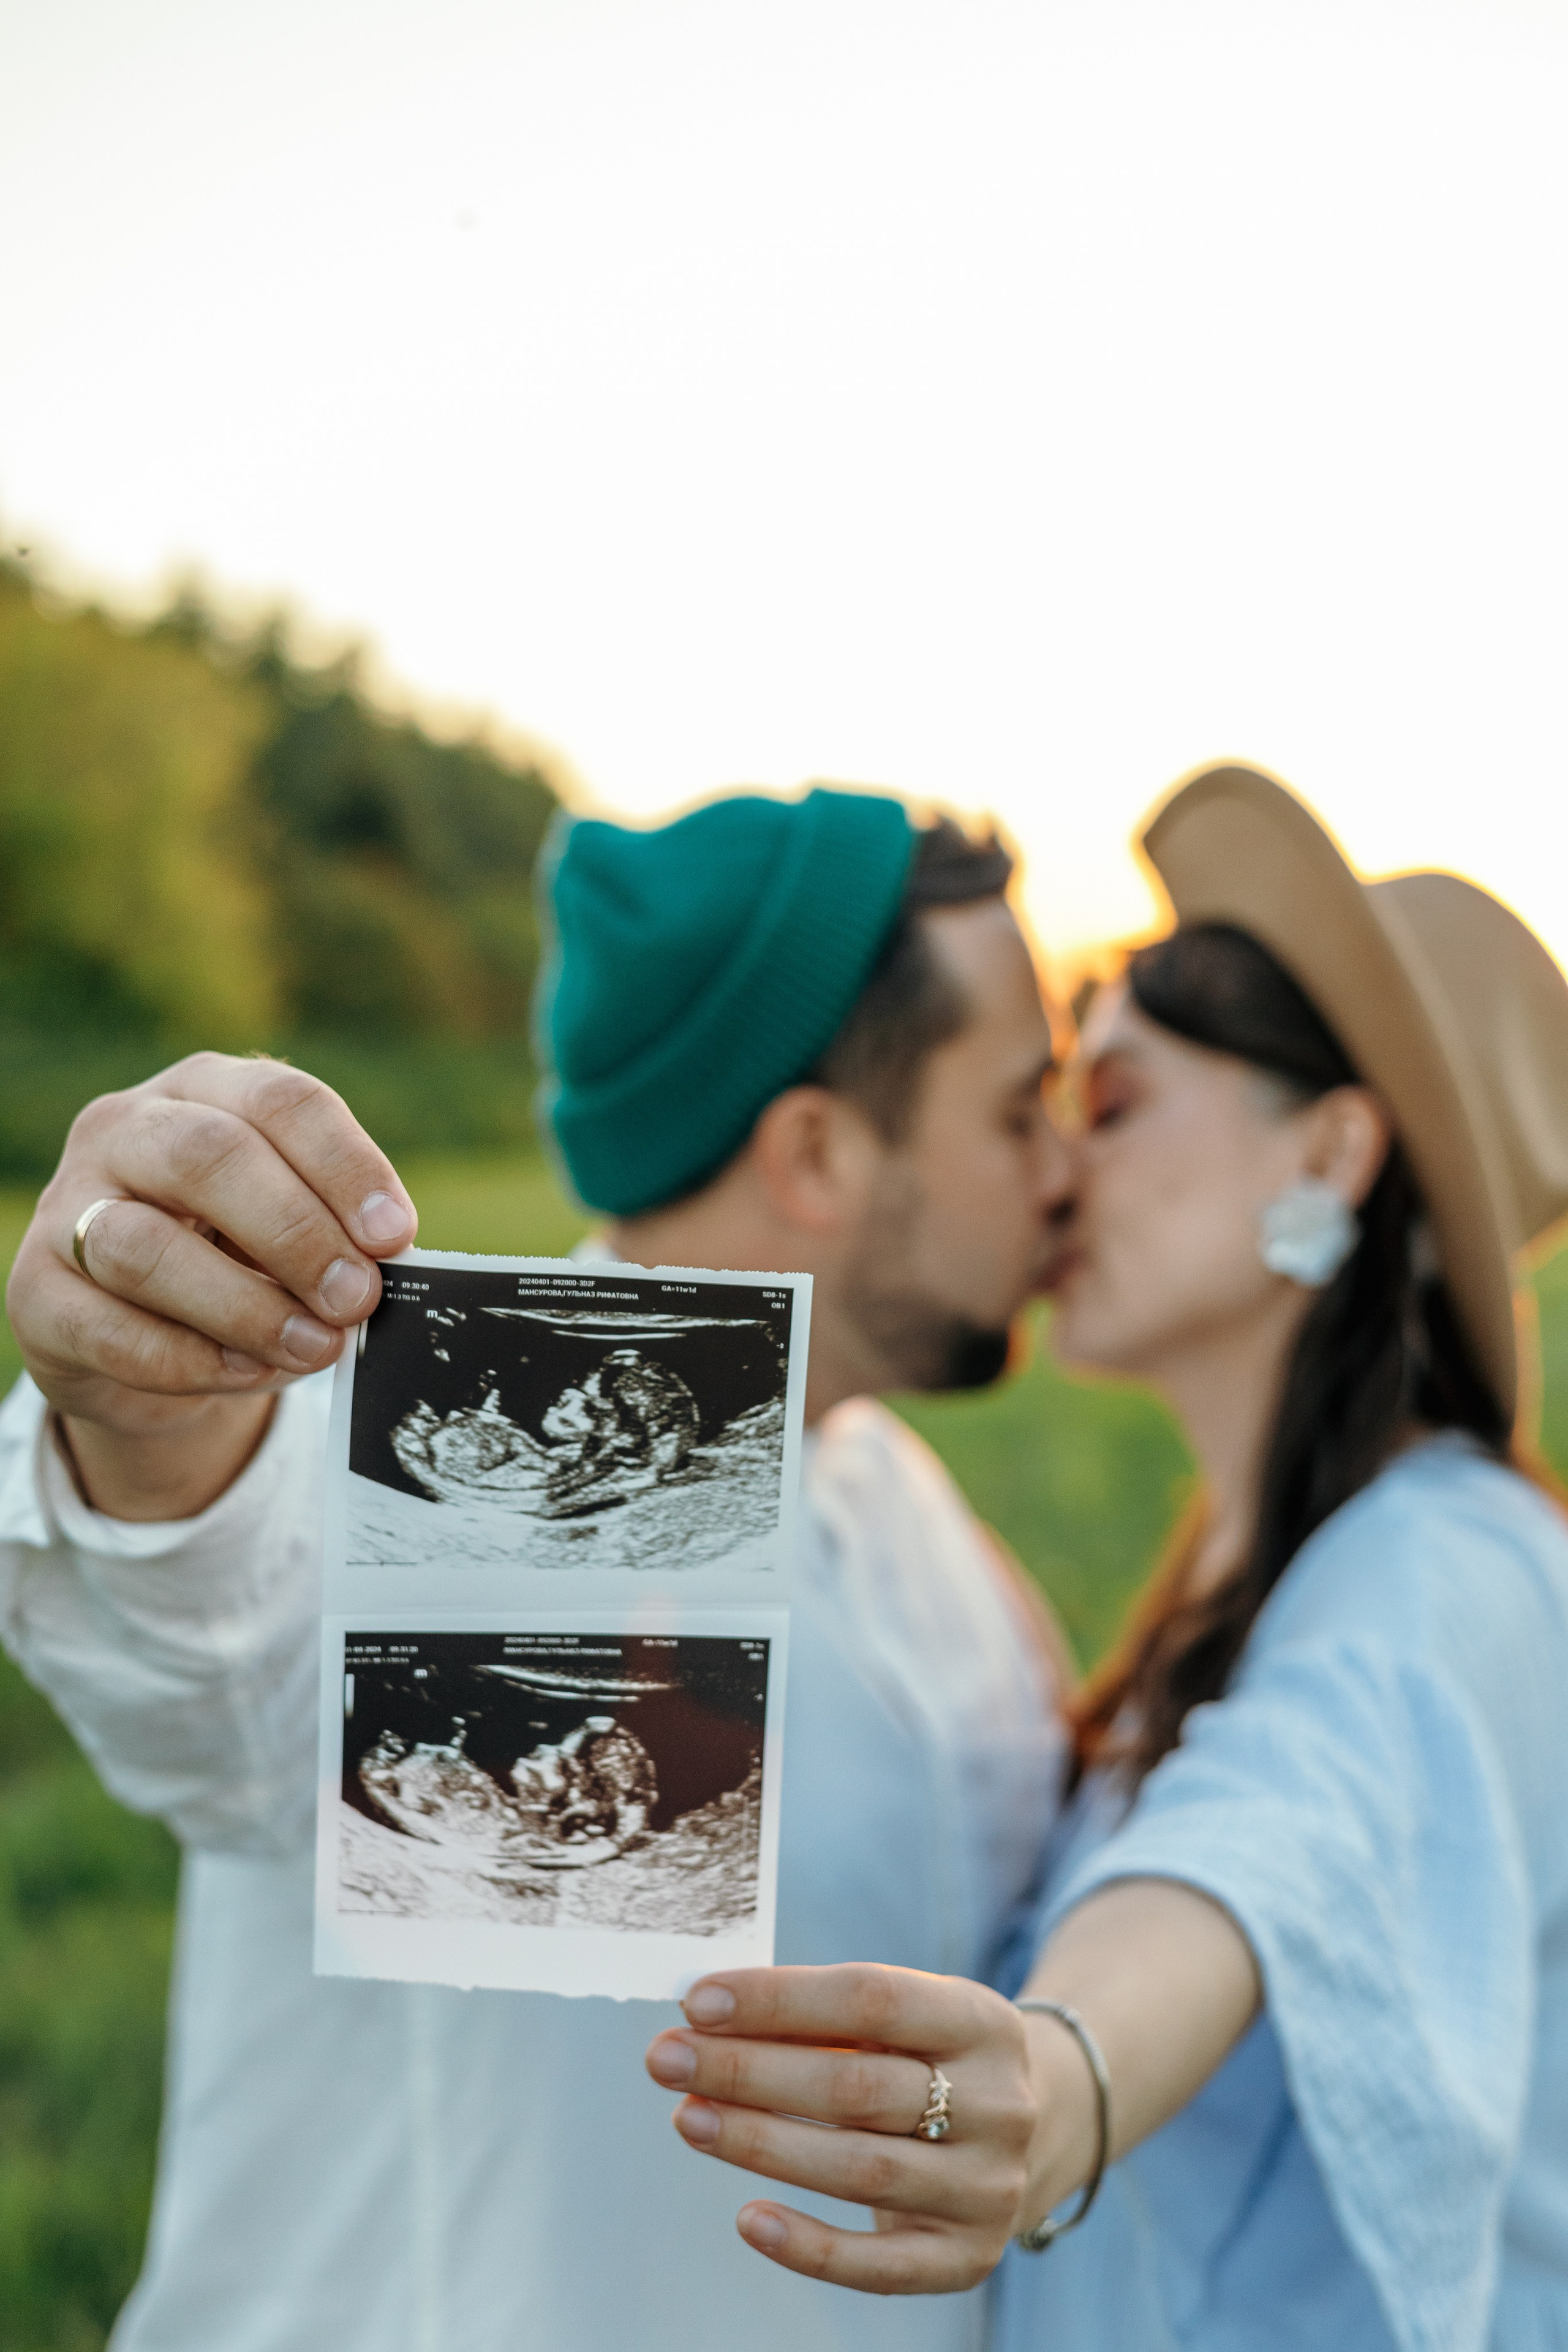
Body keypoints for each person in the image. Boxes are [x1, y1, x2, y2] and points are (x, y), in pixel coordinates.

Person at [1, 783, 1071, 2352]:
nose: (1062, 1169)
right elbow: (215, 1688)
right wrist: (148, 1430)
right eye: (1019, 1110)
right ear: (818, 1151)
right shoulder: (525, 1470)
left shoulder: (900, 1497)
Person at [644, 762, 1568, 2352]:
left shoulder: (1450, 1568)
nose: (1060, 1173)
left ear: (1327, 1157)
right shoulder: (1194, 1561)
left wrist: (1061, 2074)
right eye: (1042, 1112)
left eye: (1112, 1105)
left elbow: (1278, 1833)